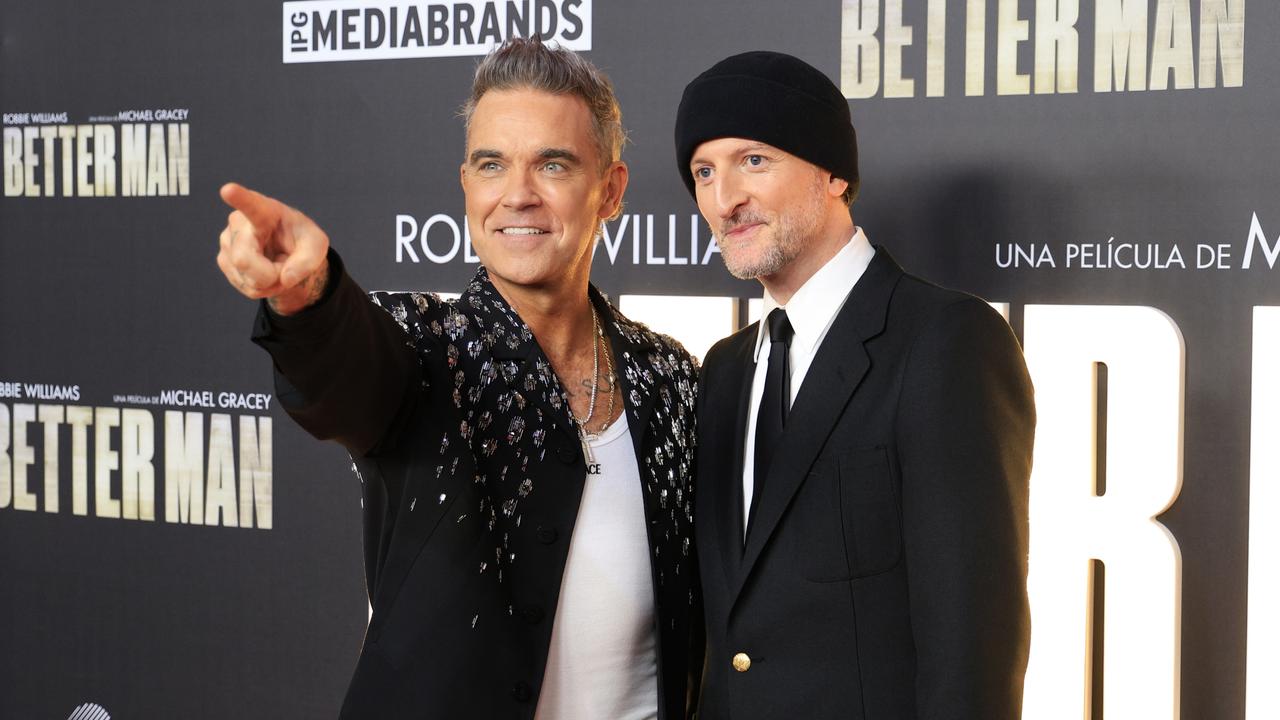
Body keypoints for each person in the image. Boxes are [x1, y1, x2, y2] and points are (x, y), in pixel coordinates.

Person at [216, 39, 701, 719]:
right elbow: (348, 371)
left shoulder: (670, 377)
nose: (518, 195)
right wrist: (310, 296)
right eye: (492, 164)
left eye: (552, 165)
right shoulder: (427, 348)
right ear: (467, 185)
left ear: (610, 191)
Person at [676, 51, 1035, 719]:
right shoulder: (724, 372)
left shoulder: (944, 341)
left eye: (753, 160)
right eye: (704, 172)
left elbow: (973, 650)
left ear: (833, 173)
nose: (725, 199)